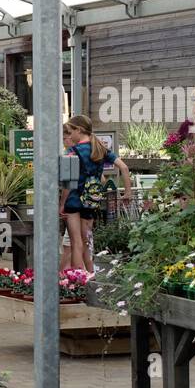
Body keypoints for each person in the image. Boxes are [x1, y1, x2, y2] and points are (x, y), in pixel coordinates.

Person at [59, 115, 132, 272]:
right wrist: (127, 192)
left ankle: (78, 280)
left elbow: (67, 182)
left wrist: (62, 204)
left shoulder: (72, 151)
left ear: (79, 130)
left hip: (74, 199)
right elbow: (124, 168)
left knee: (76, 242)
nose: (70, 136)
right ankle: (90, 274)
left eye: (71, 132)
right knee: (86, 241)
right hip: (92, 198)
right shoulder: (100, 149)